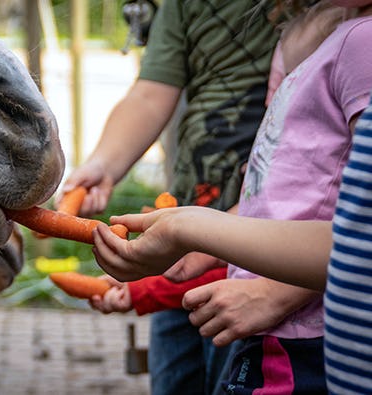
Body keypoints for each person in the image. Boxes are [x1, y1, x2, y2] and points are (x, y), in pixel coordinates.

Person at [91, 1, 372, 393]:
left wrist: (268, 289)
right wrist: (204, 244)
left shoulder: (361, 43)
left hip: (308, 335)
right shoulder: (302, 33)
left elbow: (360, 231)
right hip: (265, 325)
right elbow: (275, 185)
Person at [58, 0, 278, 393]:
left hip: (265, 244)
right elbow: (150, 93)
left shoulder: (313, 15)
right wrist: (103, 166)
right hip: (182, 224)